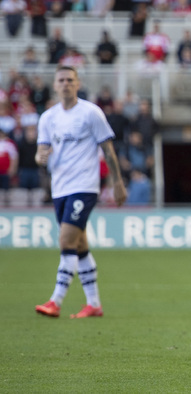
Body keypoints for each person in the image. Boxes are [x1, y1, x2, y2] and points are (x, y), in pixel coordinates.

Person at [34, 66, 127, 319]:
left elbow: (108, 149)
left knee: (66, 240)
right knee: (80, 244)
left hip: (84, 186)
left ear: (78, 84)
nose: (65, 84)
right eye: (61, 80)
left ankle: (56, 301)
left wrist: (118, 182)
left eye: (70, 80)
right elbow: (41, 152)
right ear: (55, 85)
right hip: (60, 187)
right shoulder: (48, 118)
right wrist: (40, 156)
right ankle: (94, 304)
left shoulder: (91, 113)